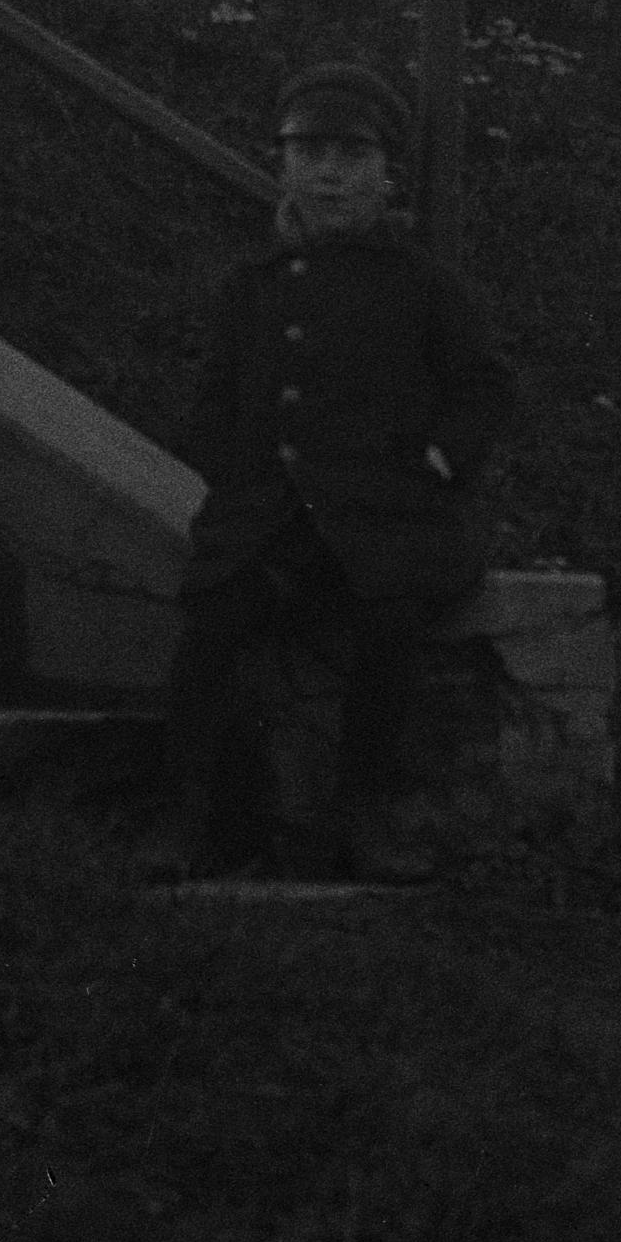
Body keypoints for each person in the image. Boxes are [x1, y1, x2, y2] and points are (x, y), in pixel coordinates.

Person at [152, 65, 517, 887]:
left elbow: (484, 388)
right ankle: (186, 815)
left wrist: (437, 460)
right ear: (283, 166)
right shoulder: (253, 286)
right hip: (272, 519)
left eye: (352, 157)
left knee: (390, 624)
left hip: (384, 517)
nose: (329, 175)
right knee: (214, 624)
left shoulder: (422, 283)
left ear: (386, 175)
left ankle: (364, 811)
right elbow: (214, 400)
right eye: (310, 154)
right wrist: (234, 474)